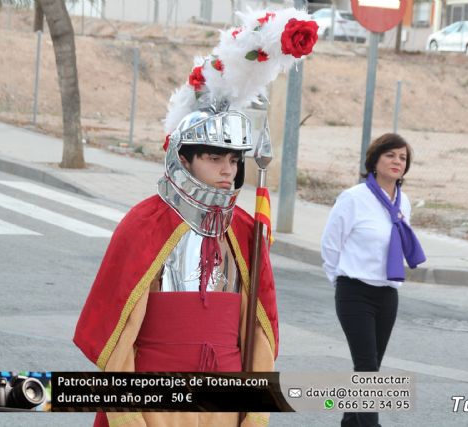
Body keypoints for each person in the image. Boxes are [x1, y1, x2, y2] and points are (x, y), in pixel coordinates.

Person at [73, 8, 318, 427]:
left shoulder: (243, 231)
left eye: (234, 159)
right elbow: (116, 345)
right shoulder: (143, 225)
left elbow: (259, 336)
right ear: (182, 159)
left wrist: (254, 414)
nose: (228, 171)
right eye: (213, 157)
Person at [321, 133, 426, 427]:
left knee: (371, 367)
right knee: (367, 368)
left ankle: (351, 422)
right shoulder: (354, 198)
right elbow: (331, 244)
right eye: (390, 155)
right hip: (354, 291)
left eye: (402, 158)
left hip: (387, 293)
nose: (397, 162)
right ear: (375, 160)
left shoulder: (403, 202)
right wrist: (339, 280)